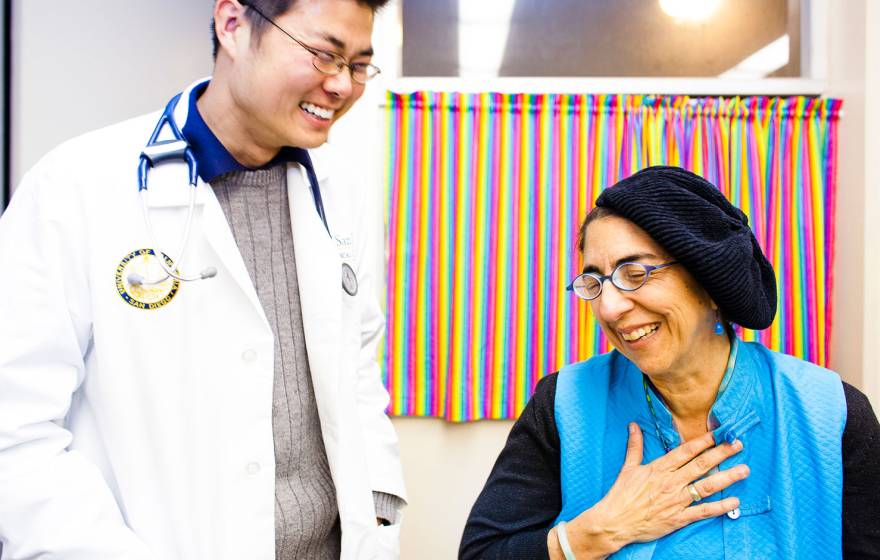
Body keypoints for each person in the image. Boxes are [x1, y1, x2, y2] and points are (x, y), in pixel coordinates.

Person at [0, 1, 406, 558]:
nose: (340, 85)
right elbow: (15, 431)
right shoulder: (76, 187)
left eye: (359, 65)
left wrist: (379, 513)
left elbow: (357, 373)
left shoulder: (340, 194)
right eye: (323, 54)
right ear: (233, 24)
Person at [460, 166, 880, 559]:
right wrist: (594, 533)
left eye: (635, 273)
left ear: (711, 285)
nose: (608, 308)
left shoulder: (830, 412)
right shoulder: (563, 404)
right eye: (594, 282)